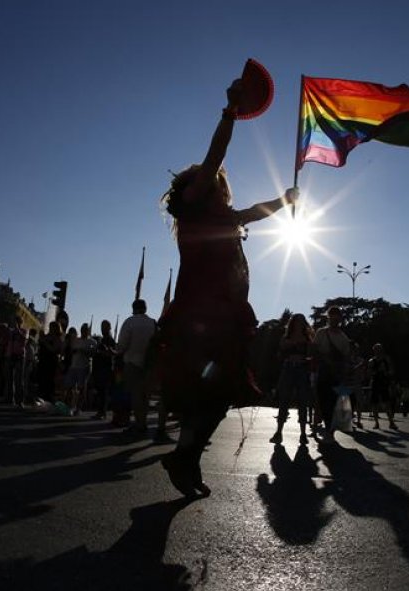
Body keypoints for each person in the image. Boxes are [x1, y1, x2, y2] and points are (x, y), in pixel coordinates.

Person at [157, 77, 299, 497]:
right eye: (206, 177)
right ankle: (184, 458)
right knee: (210, 392)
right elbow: (215, 153)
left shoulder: (222, 215)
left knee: (220, 394)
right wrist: (230, 113)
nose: (214, 179)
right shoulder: (195, 206)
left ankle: (185, 459)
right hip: (202, 317)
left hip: (223, 316)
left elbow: (252, 213)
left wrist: (285, 201)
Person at [269, 313, 314, 446]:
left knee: (303, 401)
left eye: (301, 321)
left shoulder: (307, 338)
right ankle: (278, 432)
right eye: (297, 321)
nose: (299, 324)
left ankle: (303, 433)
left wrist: (306, 358)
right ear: (293, 323)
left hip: (301, 368)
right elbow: (282, 346)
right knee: (284, 400)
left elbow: (312, 353)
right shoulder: (287, 336)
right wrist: (294, 343)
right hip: (288, 367)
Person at [312, 306, 352, 443]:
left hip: (336, 372)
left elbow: (346, 358)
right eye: (332, 317)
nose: (335, 319)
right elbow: (314, 349)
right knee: (323, 399)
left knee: (333, 401)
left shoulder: (343, 338)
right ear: (329, 318)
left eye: (337, 317)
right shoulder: (321, 333)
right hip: (324, 370)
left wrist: (345, 375)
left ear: (340, 319)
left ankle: (330, 429)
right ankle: (328, 427)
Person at [117, 299, 157, 434]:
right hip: (149, 364)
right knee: (145, 396)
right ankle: (143, 422)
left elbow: (122, 345)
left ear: (134, 308)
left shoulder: (130, 322)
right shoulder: (153, 323)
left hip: (132, 362)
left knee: (135, 395)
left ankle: (138, 423)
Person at [66, 322, 95, 415]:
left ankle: (78, 408)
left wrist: (83, 351)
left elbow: (93, 354)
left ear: (88, 331)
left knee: (81, 388)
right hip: (73, 366)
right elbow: (71, 351)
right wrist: (74, 350)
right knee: (70, 387)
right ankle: (70, 406)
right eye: (82, 330)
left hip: (84, 367)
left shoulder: (92, 342)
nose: (83, 331)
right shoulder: (76, 340)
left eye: (85, 330)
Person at [368, 343, 397, 430]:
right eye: (376, 349)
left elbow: (391, 371)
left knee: (387, 403)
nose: (378, 351)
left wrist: (387, 373)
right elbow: (369, 373)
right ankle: (376, 423)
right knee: (375, 404)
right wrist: (375, 372)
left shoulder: (386, 360)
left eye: (379, 349)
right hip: (375, 383)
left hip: (384, 383)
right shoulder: (372, 361)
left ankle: (391, 422)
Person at [91, 319, 116, 420]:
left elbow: (111, 353)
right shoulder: (102, 339)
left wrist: (104, 352)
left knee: (103, 391)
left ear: (109, 328)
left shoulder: (109, 340)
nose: (102, 329)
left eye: (104, 327)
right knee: (100, 391)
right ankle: (100, 411)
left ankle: (102, 412)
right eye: (102, 327)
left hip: (105, 368)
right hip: (99, 368)